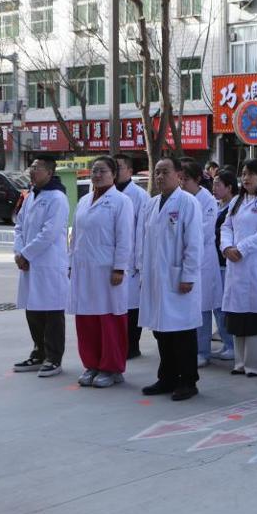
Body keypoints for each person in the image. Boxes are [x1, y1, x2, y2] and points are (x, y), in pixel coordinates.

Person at [137, 158, 203, 401]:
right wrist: (142, 272)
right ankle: (167, 378)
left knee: (182, 333)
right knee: (161, 331)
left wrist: (188, 275)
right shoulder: (151, 204)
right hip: (156, 278)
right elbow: (143, 241)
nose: (160, 177)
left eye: (165, 172)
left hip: (178, 278)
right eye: (157, 172)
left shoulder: (188, 202)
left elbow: (194, 243)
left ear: (178, 175)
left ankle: (188, 381)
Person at [69, 156, 134, 389]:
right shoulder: (84, 200)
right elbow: (75, 235)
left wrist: (119, 267)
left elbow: (125, 237)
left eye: (102, 171)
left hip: (107, 271)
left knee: (109, 321)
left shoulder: (121, 201)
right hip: (84, 270)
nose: (97, 175)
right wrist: (70, 263)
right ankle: (92, 364)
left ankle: (111, 367)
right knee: (86, 320)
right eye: (94, 170)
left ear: (114, 175)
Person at [220, 159, 257, 378]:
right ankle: (240, 362)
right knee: (239, 316)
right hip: (236, 265)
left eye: (251, 174)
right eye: (244, 174)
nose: (246, 178)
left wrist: (241, 249)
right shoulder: (237, 200)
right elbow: (226, 226)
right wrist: (227, 247)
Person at [12, 157, 70, 378]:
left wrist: (26, 254)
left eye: (37, 168)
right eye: (32, 167)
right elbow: (19, 226)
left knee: (52, 312)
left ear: (49, 172)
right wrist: (19, 252)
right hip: (29, 263)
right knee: (33, 309)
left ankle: (54, 358)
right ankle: (39, 353)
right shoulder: (31, 196)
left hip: (48, 263)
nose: (33, 171)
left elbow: (49, 233)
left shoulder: (57, 198)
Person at [177, 158, 224, 369]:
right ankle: (190, 349)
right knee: (189, 307)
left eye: (185, 179)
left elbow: (203, 231)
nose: (181, 183)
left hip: (203, 259)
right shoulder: (180, 198)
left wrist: (179, 237)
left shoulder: (207, 201)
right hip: (182, 258)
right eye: (179, 179)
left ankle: (202, 351)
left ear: (197, 179)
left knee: (203, 307)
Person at [114, 154, 149, 360]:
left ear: (129, 170)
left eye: (119, 167)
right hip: (110, 260)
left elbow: (142, 231)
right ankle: (117, 344)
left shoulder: (139, 195)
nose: (115, 171)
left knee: (131, 306)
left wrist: (139, 263)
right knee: (115, 306)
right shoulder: (107, 193)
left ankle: (132, 346)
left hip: (132, 262)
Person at [210, 170, 237, 361]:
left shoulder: (233, 207)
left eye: (218, 184)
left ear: (229, 187)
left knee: (224, 307)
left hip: (225, 262)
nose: (214, 188)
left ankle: (232, 345)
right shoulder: (216, 205)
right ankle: (227, 343)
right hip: (214, 260)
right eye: (213, 183)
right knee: (217, 306)